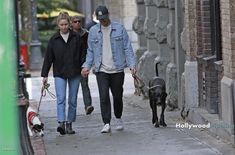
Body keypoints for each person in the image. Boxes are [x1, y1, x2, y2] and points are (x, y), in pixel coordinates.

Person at [81, 5, 136, 133]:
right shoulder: (93, 31)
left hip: (117, 69)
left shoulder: (119, 28)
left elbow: (127, 48)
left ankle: (118, 117)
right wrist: (86, 66)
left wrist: (132, 65)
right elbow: (90, 51)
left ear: (108, 15)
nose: (103, 21)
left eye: (104, 18)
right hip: (101, 70)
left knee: (117, 96)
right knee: (104, 96)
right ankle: (106, 122)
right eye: (100, 19)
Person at [41, 12, 84, 135]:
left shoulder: (76, 38)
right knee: (60, 98)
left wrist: (84, 67)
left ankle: (69, 123)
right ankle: (61, 122)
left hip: (75, 72)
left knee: (72, 99)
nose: (64, 27)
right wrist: (45, 75)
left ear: (69, 24)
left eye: (66, 24)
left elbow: (82, 54)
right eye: (61, 25)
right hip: (59, 72)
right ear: (58, 25)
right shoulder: (54, 39)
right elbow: (48, 58)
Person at [71, 15, 94, 115]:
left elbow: (90, 48)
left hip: (83, 64)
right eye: (75, 22)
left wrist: (88, 63)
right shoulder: (69, 35)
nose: (77, 23)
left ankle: (88, 105)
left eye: (79, 21)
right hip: (71, 65)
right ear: (71, 23)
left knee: (85, 85)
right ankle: (72, 108)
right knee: (73, 88)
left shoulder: (86, 34)